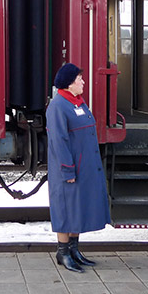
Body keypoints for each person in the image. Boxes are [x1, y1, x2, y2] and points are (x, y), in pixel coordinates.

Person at [46, 63, 111, 272]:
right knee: (66, 209)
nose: (83, 82)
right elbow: (59, 141)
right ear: (69, 83)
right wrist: (67, 169)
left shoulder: (78, 103)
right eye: (79, 79)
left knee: (78, 208)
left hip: (83, 166)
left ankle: (74, 249)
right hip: (69, 168)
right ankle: (63, 252)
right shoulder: (58, 106)